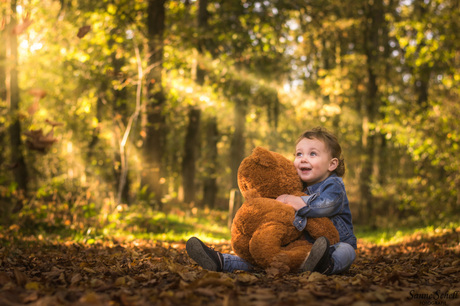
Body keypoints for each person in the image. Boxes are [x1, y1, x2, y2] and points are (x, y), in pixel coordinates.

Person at [186, 127, 357, 275]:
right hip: (301, 247)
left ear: (332, 164)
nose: (303, 158)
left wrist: (297, 202)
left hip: (334, 244)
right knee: (266, 257)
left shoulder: (333, 185)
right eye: (299, 154)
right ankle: (222, 261)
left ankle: (326, 265)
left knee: (347, 251)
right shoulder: (296, 185)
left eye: (313, 154)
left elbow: (328, 205)